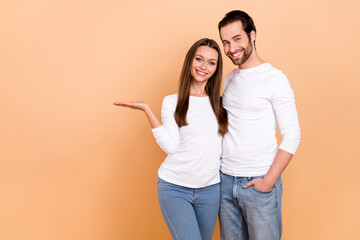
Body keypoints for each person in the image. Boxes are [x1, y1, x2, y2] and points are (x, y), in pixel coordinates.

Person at [114, 38, 228, 240]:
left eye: (211, 62)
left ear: (217, 68)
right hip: (175, 188)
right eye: (199, 59)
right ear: (189, 62)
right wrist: (147, 110)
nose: (204, 66)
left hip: (210, 190)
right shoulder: (172, 102)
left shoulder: (221, 104)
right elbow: (171, 146)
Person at [217, 10, 301, 240]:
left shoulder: (275, 79)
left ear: (252, 35)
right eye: (225, 42)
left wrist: (268, 181)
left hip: (259, 183)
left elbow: (292, 135)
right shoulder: (229, 79)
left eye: (237, 39)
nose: (231, 48)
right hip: (225, 183)